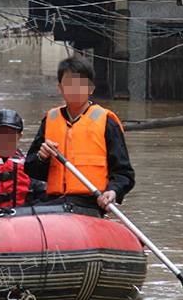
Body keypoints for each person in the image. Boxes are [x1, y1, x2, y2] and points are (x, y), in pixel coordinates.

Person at [24, 55, 135, 215]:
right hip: (53, 203)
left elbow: (124, 174)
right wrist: (42, 157)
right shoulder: (50, 120)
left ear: (91, 88)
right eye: (69, 84)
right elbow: (32, 169)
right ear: (60, 88)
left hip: (89, 205)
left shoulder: (106, 121)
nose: (74, 89)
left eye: (80, 84)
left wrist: (113, 191)